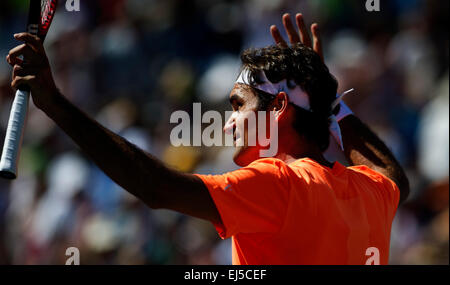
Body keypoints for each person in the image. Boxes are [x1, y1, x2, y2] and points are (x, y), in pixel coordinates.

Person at [5, 12, 409, 265]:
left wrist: (56, 104)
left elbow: (156, 188)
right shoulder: (372, 191)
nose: (229, 121)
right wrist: (329, 101)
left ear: (279, 107)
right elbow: (393, 175)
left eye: (238, 104)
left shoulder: (281, 184)